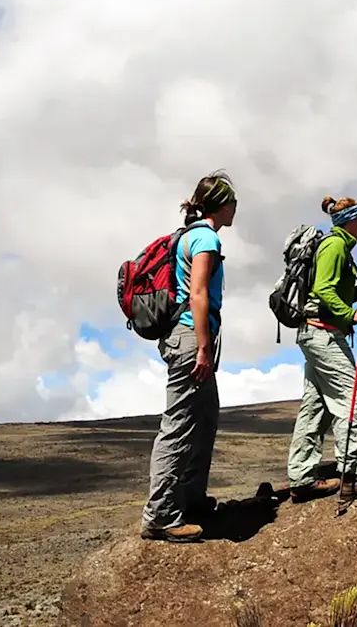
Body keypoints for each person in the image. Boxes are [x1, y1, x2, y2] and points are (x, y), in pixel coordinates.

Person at [140, 170, 237, 543]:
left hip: (185, 336)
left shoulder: (190, 235)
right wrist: (202, 346)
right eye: (234, 202)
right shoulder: (205, 238)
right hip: (188, 338)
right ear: (222, 204)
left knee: (204, 419)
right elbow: (197, 294)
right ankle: (161, 516)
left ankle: (191, 500)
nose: (236, 209)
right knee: (179, 426)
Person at [286, 195, 357, 503]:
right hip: (324, 334)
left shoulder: (339, 248)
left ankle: (302, 478)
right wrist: (351, 315)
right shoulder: (335, 246)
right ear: (352, 220)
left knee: (316, 406)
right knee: (352, 398)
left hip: (315, 332)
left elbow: (335, 289)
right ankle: (352, 477)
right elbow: (323, 289)